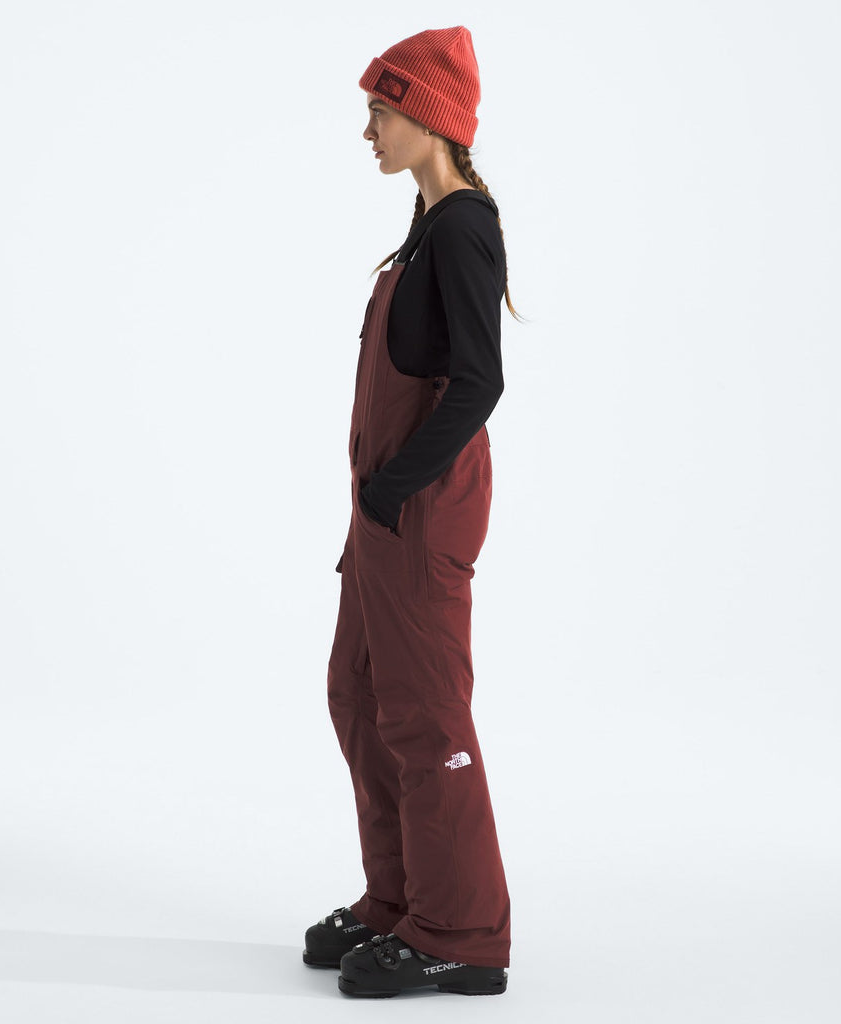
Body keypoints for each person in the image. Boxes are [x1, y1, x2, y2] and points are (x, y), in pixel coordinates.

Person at [302, 26, 522, 999]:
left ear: (429, 118)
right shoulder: (426, 225)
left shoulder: (464, 226)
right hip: (384, 512)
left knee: (425, 713)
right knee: (358, 693)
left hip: (420, 511)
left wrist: (393, 490)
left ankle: (461, 930)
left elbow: (480, 382)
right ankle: (398, 898)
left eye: (380, 112)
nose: (368, 132)